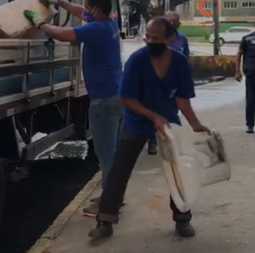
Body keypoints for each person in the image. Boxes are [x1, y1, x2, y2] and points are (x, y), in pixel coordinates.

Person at [88, 17, 208, 239]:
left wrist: (195, 124)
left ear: (171, 38)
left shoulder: (180, 63)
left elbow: (182, 99)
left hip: (169, 121)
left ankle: (182, 219)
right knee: (119, 168)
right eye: (148, 37)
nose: (151, 42)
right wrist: (153, 117)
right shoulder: (137, 60)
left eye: (156, 38)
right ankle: (105, 220)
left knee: (178, 169)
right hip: (138, 121)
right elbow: (126, 98)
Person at [25, 0, 124, 216]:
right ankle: (116, 196)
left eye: (89, 6)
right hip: (116, 97)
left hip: (104, 102)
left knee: (106, 155)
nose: (85, 10)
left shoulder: (96, 29)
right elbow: (80, 11)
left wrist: (40, 23)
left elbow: (61, 34)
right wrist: (57, 1)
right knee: (115, 154)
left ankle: (108, 205)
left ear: (96, 10)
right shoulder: (109, 23)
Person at [144, 11, 191, 156]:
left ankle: (171, 142)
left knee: (172, 113)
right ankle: (152, 140)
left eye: (175, 21)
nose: (172, 23)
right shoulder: (156, 39)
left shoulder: (182, 39)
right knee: (154, 111)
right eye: (169, 20)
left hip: (174, 83)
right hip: (157, 80)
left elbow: (186, 58)